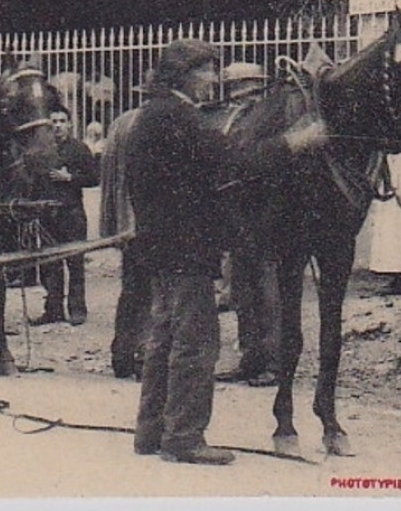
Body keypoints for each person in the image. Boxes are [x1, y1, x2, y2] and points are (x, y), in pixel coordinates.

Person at [127, 40, 328, 465]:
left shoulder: (153, 114)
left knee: (163, 338)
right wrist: (295, 142)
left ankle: (151, 431)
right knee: (196, 344)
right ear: (182, 75)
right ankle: (184, 438)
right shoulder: (180, 117)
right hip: (187, 247)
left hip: (160, 245)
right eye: (205, 71)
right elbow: (235, 161)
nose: (213, 80)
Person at [210, 62, 282, 387]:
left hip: (266, 216)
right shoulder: (233, 118)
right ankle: (250, 358)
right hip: (237, 217)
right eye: (235, 87)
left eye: (244, 86)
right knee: (242, 291)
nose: (239, 93)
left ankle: (274, 363)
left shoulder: (268, 119)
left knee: (268, 292)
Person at [33, 105, 99, 326]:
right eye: (54, 121)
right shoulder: (41, 151)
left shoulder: (79, 149)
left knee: (75, 262)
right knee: (50, 263)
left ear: (70, 124)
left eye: (62, 121)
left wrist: (70, 178)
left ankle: (77, 310)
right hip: (47, 215)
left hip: (72, 214)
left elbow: (94, 178)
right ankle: (53, 310)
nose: (58, 126)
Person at [101, 101, 147, 380]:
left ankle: (122, 353)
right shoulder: (148, 124)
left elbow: (113, 179)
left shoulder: (123, 122)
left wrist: (119, 221)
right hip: (147, 223)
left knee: (131, 289)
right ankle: (142, 353)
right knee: (152, 291)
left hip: (127, 221)